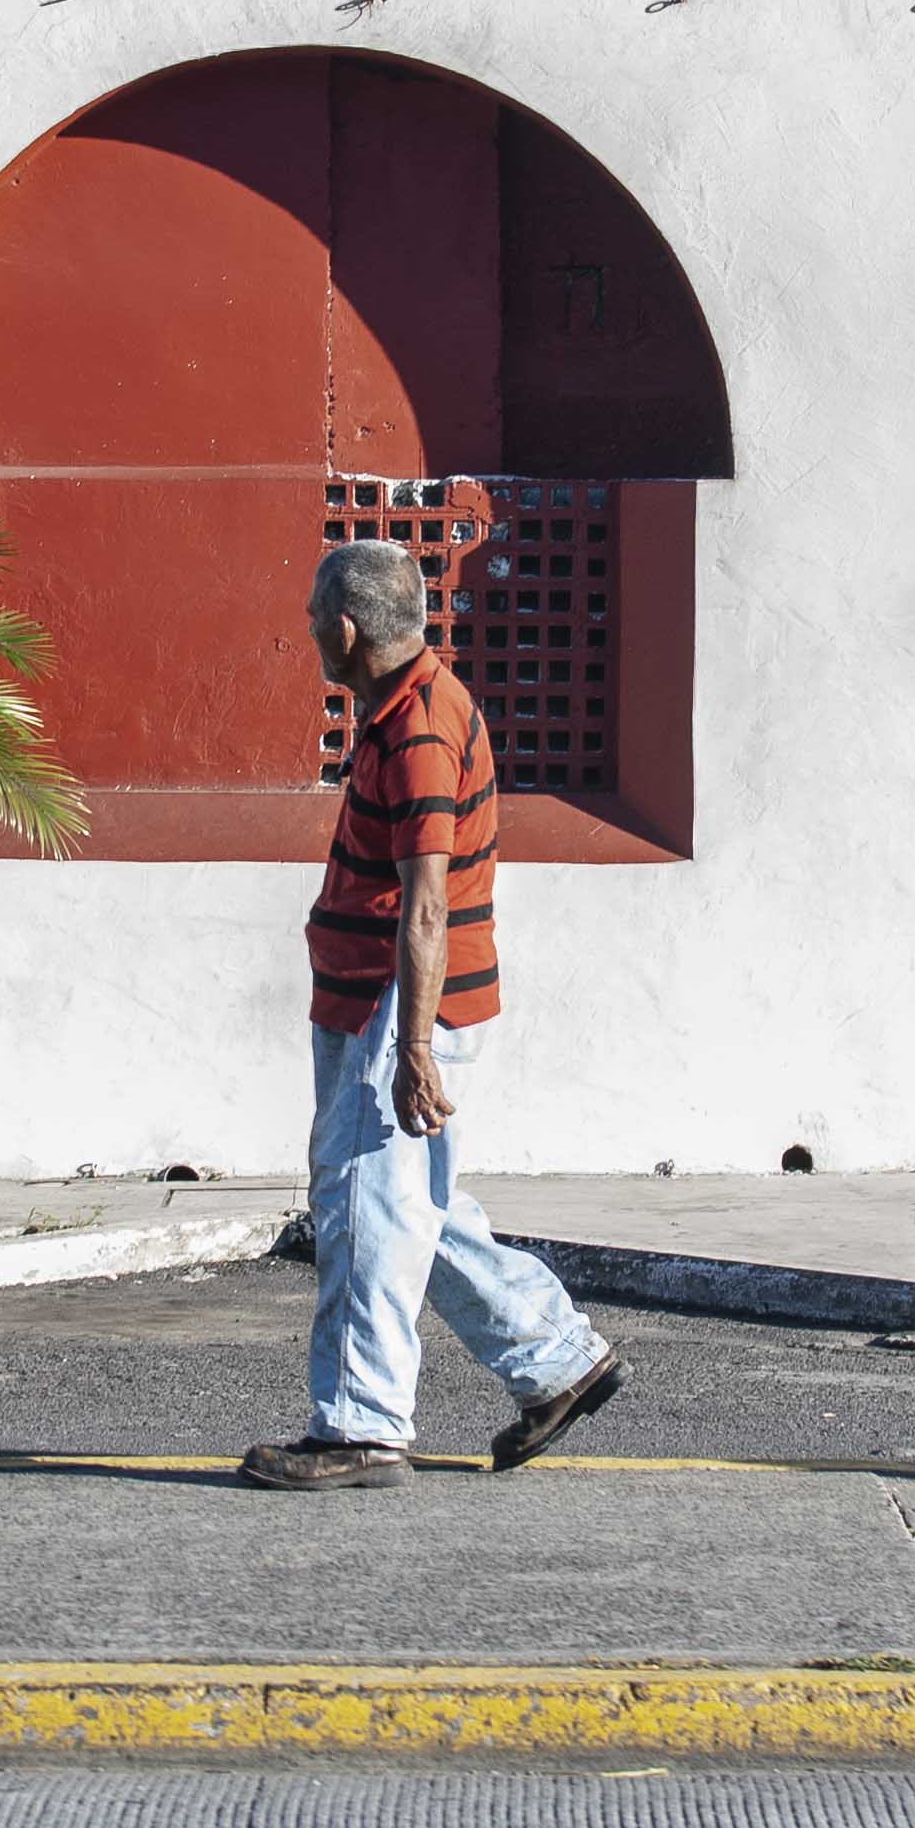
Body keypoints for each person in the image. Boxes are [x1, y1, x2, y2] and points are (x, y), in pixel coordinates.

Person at [239, 538, 629, 1491]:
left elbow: (427, 902)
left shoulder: (417, 728)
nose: (307, 635)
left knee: (366, 1210)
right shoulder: (412, 706)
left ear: (343, 630)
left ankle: (361, 1428)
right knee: (412, 1204)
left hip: (395, 1007)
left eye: (310, 622)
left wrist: (411, 1049)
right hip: (378, 1004)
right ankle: (556, 1359)